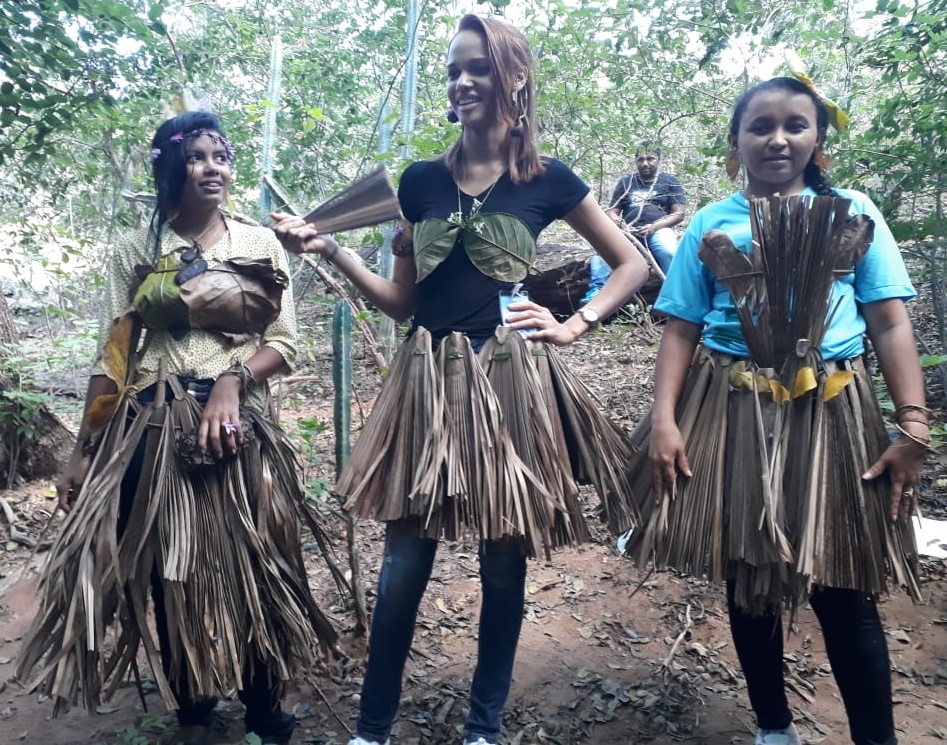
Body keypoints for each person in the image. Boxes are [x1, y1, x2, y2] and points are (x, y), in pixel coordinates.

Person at [271, 15, 649, 745]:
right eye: (453, 69)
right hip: (426, 383)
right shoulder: (419, 184)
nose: (462, 81)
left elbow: (631, 263)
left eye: (477, 66)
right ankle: (371, 730)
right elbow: (403, 303)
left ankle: (482, 728)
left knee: (503, 564)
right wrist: (332, 251)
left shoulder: (546, 179)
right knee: (402, 565)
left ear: (515, 77)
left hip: (509, 381)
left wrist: (576, 324)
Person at [15, 111, 339, 745]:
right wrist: (81, 454)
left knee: (258, 566)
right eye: (197, 156)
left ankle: (265, 710)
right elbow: (113, 357)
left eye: (220, 155)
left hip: (239, 429)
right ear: (171, 167)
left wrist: (232, 381)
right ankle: (193, 711)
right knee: (170, 576)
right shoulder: (136, 250)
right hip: (150, 428)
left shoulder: (259, 245)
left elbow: (286, 343)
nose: (213, 167)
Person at [629, 77, 927, 745]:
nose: (777, 137)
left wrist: (912, 423)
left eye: (795, 123)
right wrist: (665, 421)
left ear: (816, 138)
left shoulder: (852, 212)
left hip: (833, 412)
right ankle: (772, 728)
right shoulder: (711, 222)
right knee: (750, 573)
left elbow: (887, 322)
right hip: (733, 411)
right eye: (759, 125)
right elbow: (678, 328)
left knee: (844, 588)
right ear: (735, 142)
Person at [582, 142, 686, 304]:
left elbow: (678, 213)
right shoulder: (626, 182)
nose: (645, 163)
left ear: (659, 159)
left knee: (669, 252)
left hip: (658, 229)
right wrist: (622, 226)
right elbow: (612, 211)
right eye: (640, 159)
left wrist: (654, 227)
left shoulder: (669, 181)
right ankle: (596, 291)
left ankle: (675, 296)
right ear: (635, 161)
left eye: (650, 158)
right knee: (603, 251)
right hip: (629, 231)